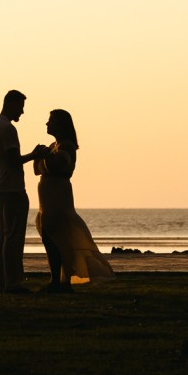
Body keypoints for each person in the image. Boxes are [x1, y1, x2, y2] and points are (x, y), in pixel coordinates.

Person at [33, 108, 116, 292]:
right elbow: (37, 169)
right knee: (50, 239)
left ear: (60, 125)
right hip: (46, 201)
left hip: (58, 198)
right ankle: (56, 280)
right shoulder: (53, 146)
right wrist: (41, 156)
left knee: (60, 239)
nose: (47, 124)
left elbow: (58, 165)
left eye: (51, 121)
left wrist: (44, 156)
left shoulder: (67, 146)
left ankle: (62, 282)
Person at [0, 89, 46, 293]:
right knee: (13, 236)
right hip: (11, 187)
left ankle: (1, 281)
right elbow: (13, 160)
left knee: (4, 235)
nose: (21, 112)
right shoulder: (7, 128)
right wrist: (34, 154)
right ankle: (12, 282)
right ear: (10, 104)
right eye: (20, 107)